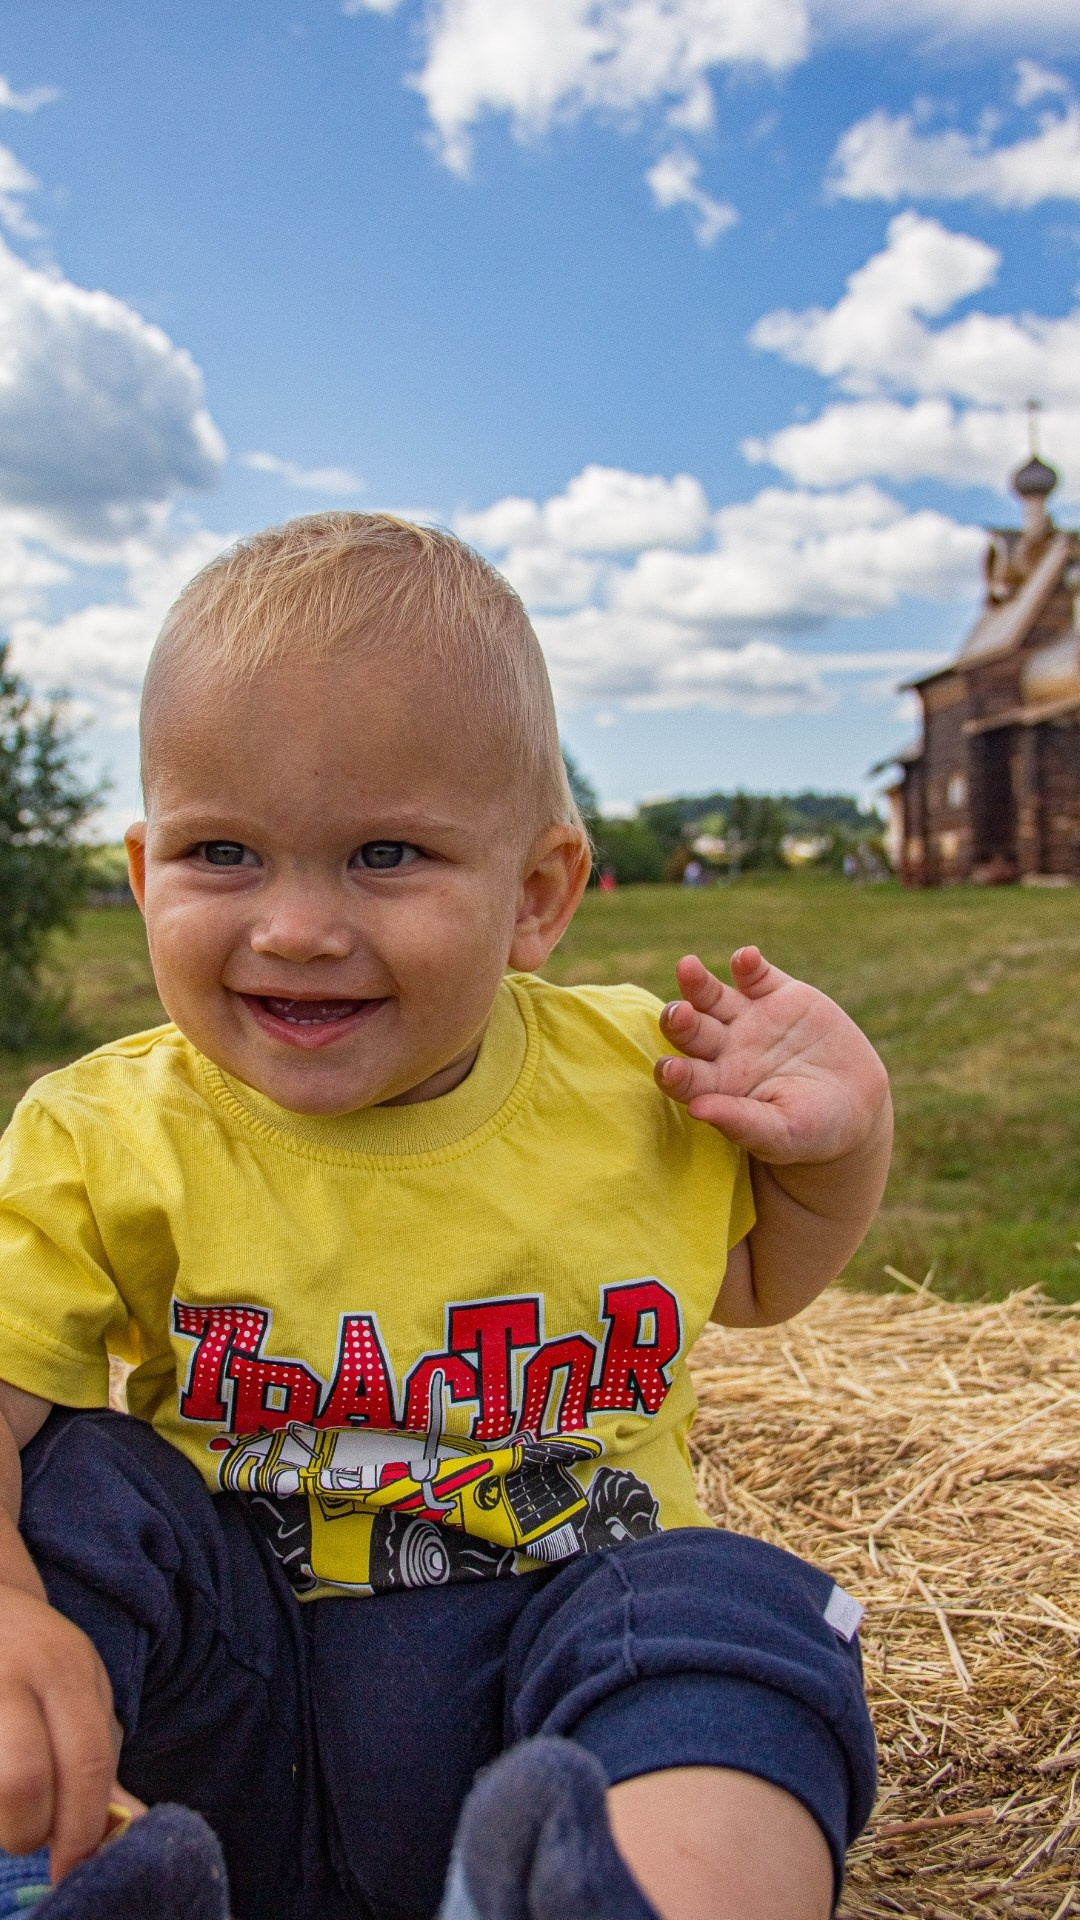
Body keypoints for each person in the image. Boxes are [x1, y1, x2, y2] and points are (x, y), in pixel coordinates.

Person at [0, 516, 892, 1920]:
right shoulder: (106, 1132)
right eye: (222, 852)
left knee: (735, 1611)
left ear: (536, 896)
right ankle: (61, 1878)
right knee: (76, 1494)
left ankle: (627, 1899)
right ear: (140, 872)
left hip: (558, 1698)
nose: (294, 925)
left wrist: (845, 1147)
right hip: (226, 1730)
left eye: (386, 855)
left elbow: (757, 1276)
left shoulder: (630, 1079)